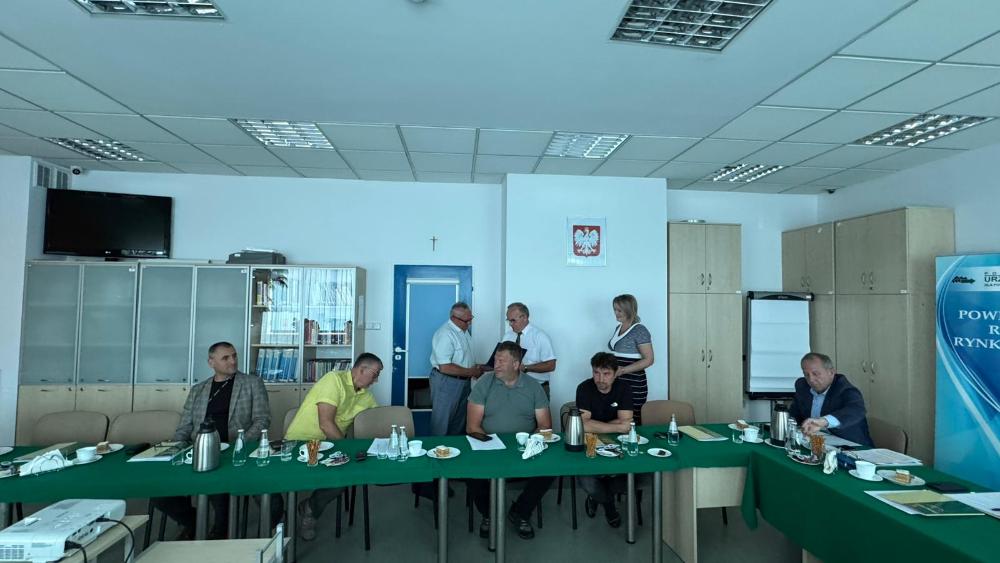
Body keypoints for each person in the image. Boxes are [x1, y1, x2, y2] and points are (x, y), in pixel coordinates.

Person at [154, 341, 277, 540]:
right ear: (211, 362)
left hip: (237, 451)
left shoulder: (252, 383)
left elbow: (262, 420)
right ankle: (192, 521)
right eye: (225, 358)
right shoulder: (198, 390)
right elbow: (185, 426)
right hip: (200, 451)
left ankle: (220, 531)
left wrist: (240, 444)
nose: (233, 361)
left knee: (219, 486)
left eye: (234, 356)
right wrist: (176, 449)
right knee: (159, 491)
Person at [285, 353, 383, 540]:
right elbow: (326, 424)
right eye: (375, 374)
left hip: (331, 447)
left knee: (345, 477)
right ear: (362, 369)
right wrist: (348, 449)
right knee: (280, 481)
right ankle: (277, 525)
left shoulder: (366, 396)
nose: (376, 380)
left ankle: (309, 510)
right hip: (301, 443)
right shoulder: (333, 380)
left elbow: (377, 420)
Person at [467, 341, 553, 541]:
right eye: (496, 360)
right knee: (471, 471)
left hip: (523, 450)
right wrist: (492, 447)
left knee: (549, 469)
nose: (495, 365)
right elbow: (472, 427)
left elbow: (545, 426)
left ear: (516, 364)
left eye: (501, 361)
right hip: (489, 448)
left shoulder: (533, 387)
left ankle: (521, 512)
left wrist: (530, 446)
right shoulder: (484, 384)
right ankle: (488, 514)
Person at [575, 352, 634, 528]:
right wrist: (616, 426)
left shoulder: (624, 388)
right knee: (586, 480)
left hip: (618, 444)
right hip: (590, 443)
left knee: (634, 477)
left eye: (606, 374)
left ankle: (597, 497)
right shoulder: (584, 388)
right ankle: (609, 507)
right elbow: (583, 425)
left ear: (615, 374)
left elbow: (627, 423)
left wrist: (595, 425)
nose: (600, 379)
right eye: (596, 373)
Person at [789, 352, 873, 446]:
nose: (811, 379)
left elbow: (857, 410)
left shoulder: (845, 389)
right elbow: (794, 415)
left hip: (851, 446)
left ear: (831, 372)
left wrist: (824, 421)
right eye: (806, 374)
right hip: (816, 443)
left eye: (815, 374)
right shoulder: (803, 386)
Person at [429, 302, 484, 436]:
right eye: (466, 320)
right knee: (442, 423)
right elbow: (445, 367)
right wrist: (472, 372)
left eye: (471, 319)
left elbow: (463, 358)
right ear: (454, 318)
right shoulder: (445, 334)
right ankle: (437, 447)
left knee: (459, 422)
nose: (469, 323)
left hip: (464, 381)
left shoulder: (463, 331)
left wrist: (478, 367)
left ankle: (456, 448)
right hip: (446, 381)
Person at [608, 294, 654, 424]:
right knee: (616, 417)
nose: (616, 313)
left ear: (629, 310)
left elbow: (649, 359)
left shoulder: (640, 330)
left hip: (634, 383)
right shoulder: (618, 328)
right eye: (615, 309)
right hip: (618, 381)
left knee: (632, 419)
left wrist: (623, 370)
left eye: (619, 310)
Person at [501, 302, 557, 396]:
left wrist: (526, 368)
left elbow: (551, 365)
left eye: (513, 320)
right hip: (510, 387)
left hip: (536, 388)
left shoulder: (540, 337)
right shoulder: (508, 336)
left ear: (524, 318)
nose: (510, 324)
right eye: (508, 321)